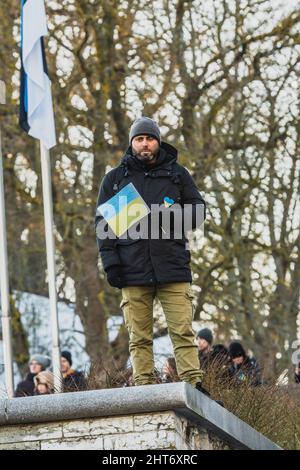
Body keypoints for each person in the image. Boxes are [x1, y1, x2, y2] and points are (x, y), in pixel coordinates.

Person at [95, 116, 206, 392]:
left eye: (150, 138)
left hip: (173, 267)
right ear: (132, 142)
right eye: (139, 139)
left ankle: (193, 384)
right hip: (132, 271)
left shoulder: (177, 174)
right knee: (138, 337)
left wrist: (165, 218)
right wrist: (111, 266)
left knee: (182, 332)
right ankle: (144, 389)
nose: (145, 144)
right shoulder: (115, 180)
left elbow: (198, 212)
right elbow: (103, 227)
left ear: (158, 141)